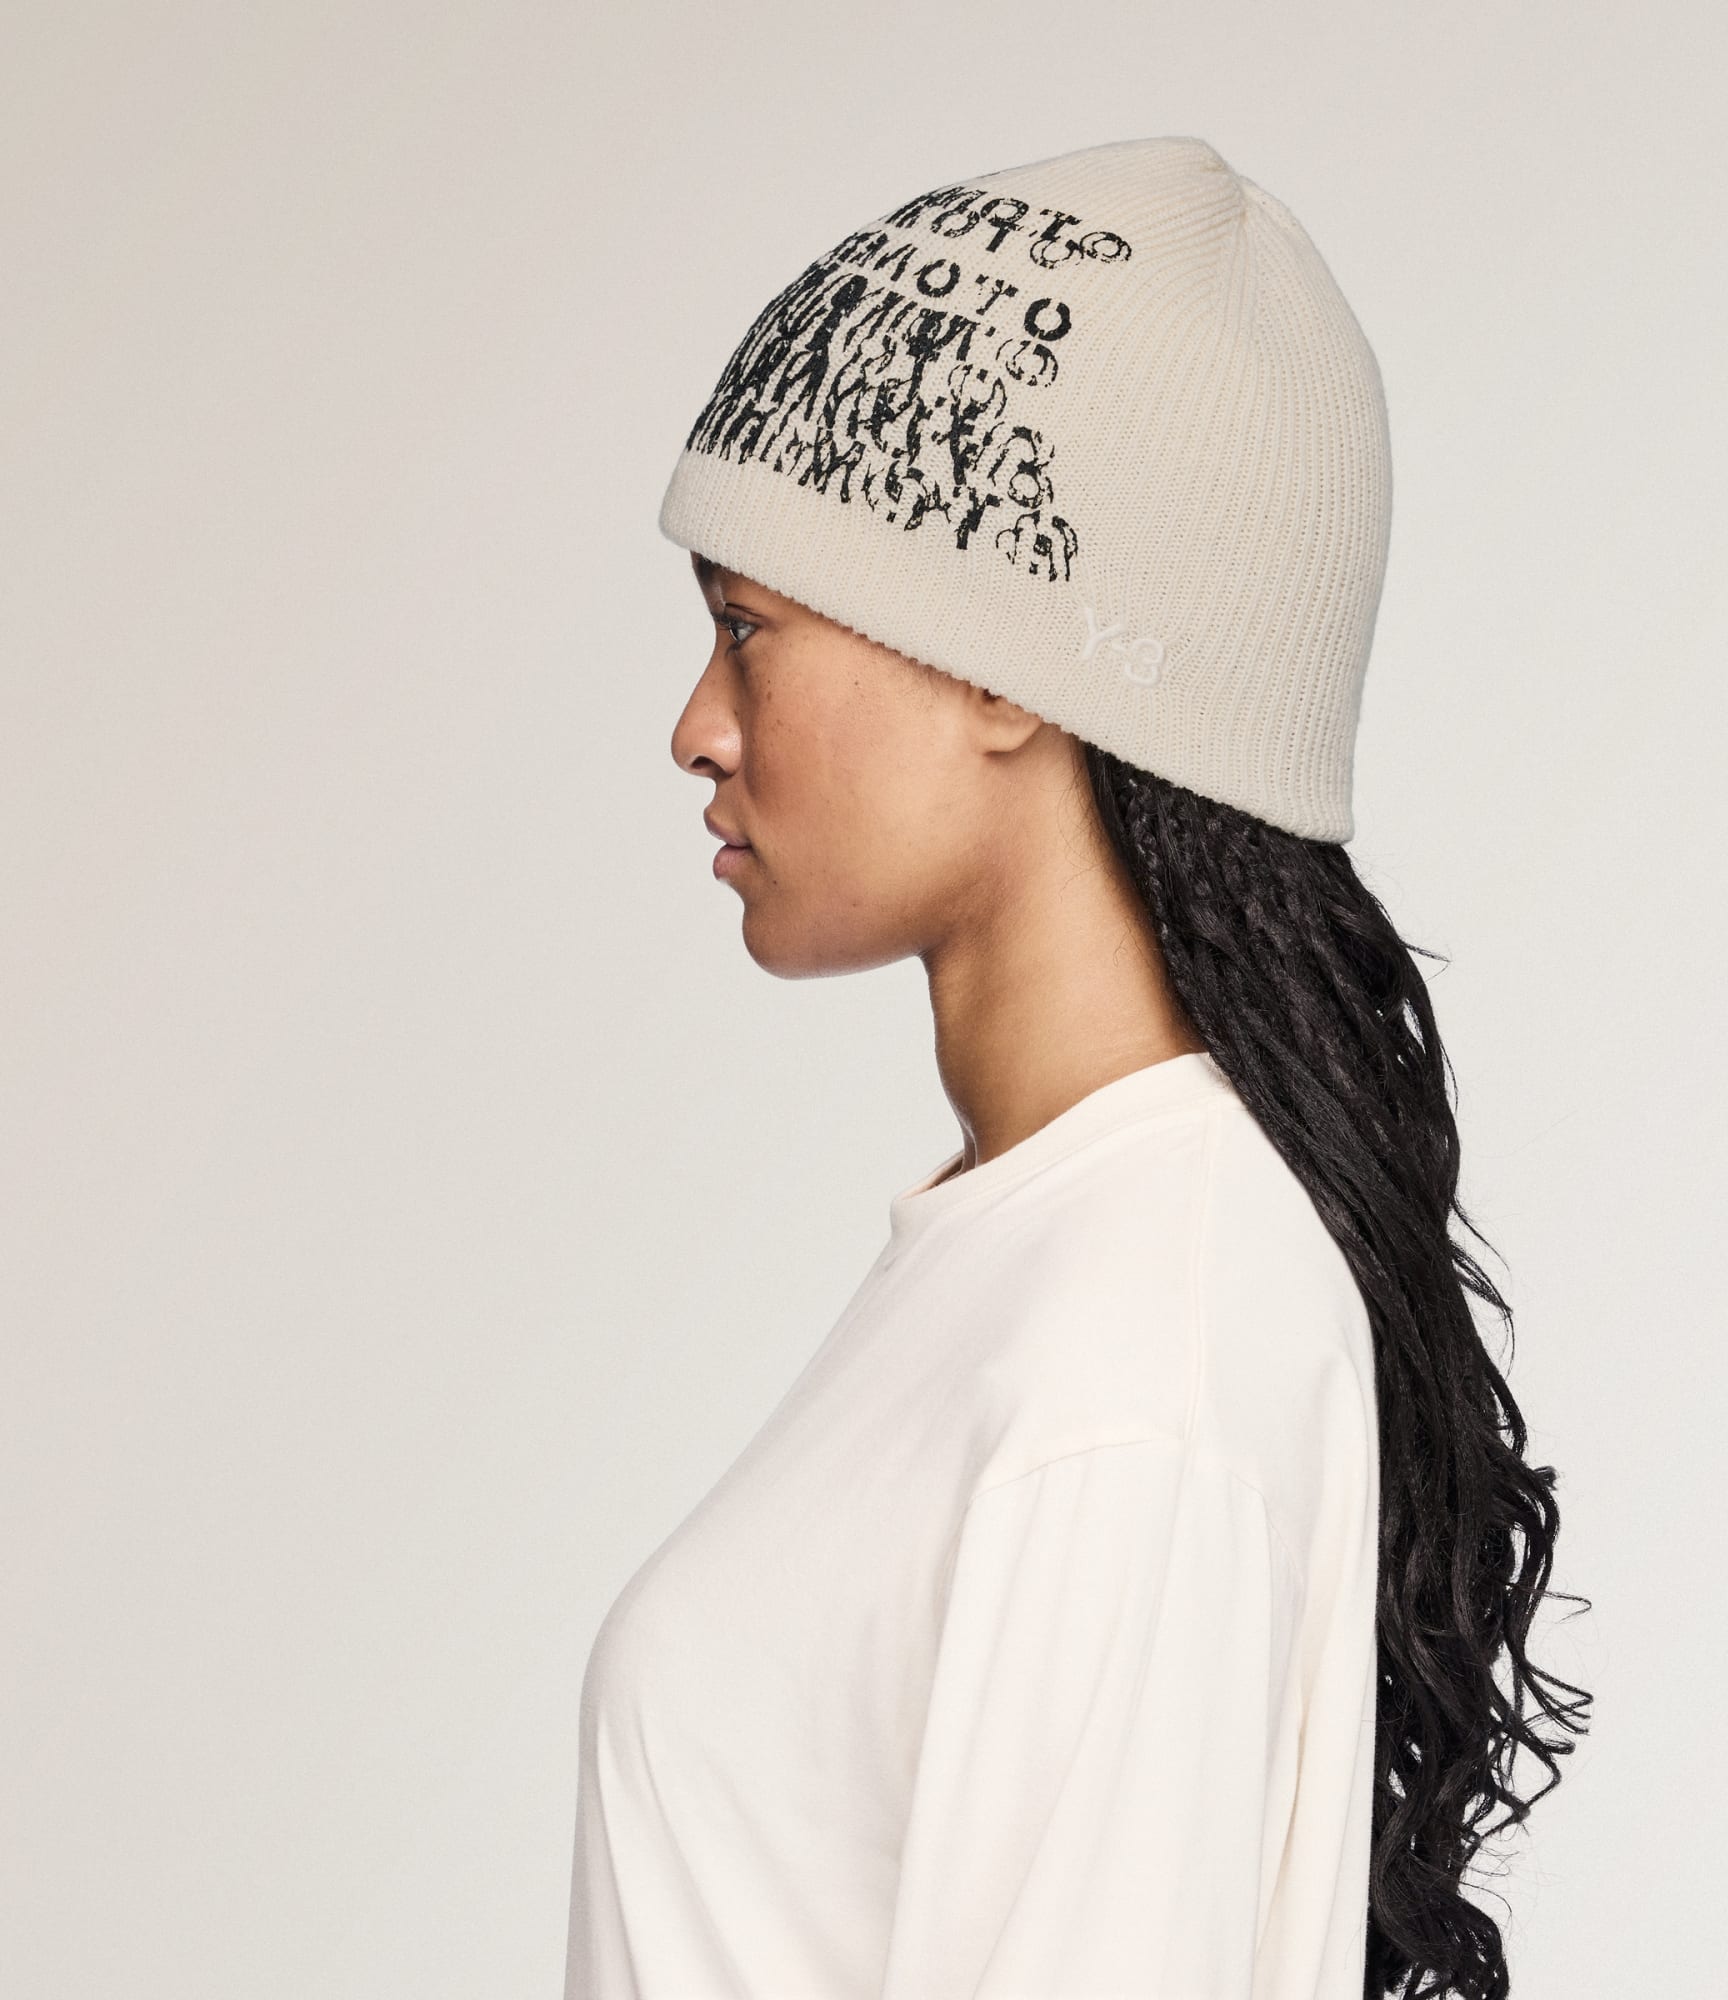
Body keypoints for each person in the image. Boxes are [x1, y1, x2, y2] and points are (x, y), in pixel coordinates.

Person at [561, 134, 1588, 2000]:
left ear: (1005, 666)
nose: (697, 728)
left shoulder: (1140, 1347)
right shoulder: (1055, 1255)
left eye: (747, 629)